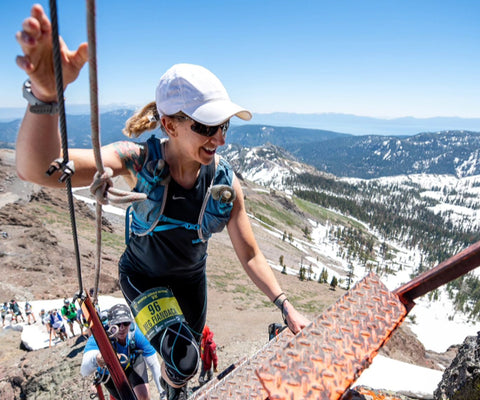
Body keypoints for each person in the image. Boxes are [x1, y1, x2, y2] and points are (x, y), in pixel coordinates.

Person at [15, 5, 310, 399]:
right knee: (183, 358)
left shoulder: (223, 181)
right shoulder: (138, 162)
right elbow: (41, 170)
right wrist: (46, 96)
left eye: (223, 125)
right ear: (170, 124)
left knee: (183, 368)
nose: (219, 138)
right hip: (143, 276)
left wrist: (285, 305)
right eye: (205, 126)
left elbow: (251, 253)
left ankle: (175, 390)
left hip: (192, 281)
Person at [81, 304, 162, 400]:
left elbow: (153, 364)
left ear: (131, 323)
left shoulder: (137, 333)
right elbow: (84, 371)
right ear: (110, 324)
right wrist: (97, 358)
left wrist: (163, 393)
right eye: (118, 324)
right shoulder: (99, 337)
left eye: (126, 323)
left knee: (143, 396)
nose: (122, 328)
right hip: (110, 373)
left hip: (132, 362)